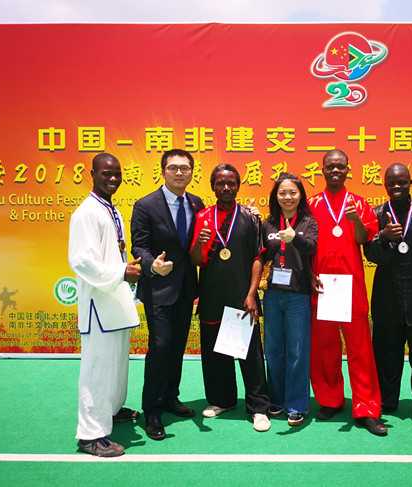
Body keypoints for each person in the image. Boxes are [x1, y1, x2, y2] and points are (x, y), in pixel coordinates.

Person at [307, 149, 387, 436]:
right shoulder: (311, 204)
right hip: (322, 286)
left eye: (340, 166)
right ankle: (331, 400)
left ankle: (366, 408)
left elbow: (364, 240)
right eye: (330, 166)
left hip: (352, 288)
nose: (335, 171)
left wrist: (355, 220)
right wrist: (310, 274)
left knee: (360, 350)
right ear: (322, 169)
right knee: (325, 347)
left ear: (348, 169)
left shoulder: (360, 203)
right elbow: (304, 244)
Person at [68, 153, 142, 457]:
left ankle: (111, 409)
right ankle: (90, 435)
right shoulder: (86, 212)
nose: (113, 179)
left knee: (117, 363)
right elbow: (81, 261)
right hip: (98, 305)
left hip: (115, 301)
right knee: (98, 369)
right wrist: (121, 272)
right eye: (106, 173)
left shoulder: (110, 209)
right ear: (93, 174)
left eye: (117, 173)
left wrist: (125, 272)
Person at [190, 163, 271, 432]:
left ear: (238, 186)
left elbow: (258, 258)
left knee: (251, 354)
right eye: (221, 183)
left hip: (242, 296)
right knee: (215, 352)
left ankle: (258, 408)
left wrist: (252, 294)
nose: (226, 187)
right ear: (213, 186)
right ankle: (222, 400)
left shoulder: (250, 218)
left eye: (231, 183)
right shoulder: (202, 217)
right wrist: (200, 243)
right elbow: (195, 260)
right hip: (212, 294)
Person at [130, 149, 205, 441]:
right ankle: (151, 410)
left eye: (184, 168)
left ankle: (171, 397)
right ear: (163, 171)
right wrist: (152, 265)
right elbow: (139, 245)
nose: (179, 173)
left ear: (191, 173)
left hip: (186, 288)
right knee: (160, 346)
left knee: (177, 347)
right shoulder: (145, 205)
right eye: (173, 168)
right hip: (158, 288)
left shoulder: (196, 203)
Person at [363, 163, 412, 427]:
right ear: (385, 185)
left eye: (402, 182)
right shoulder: (376, 214)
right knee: (386, 353)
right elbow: (370, 254)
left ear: (411, 183)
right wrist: (384, 238)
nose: (397, 186)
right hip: (388, 298)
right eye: (391, 183)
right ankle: (386, 401)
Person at [259, 173, 318, 426]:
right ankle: (277, 399)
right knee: (273, 349)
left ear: (300, 195)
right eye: (282, 193)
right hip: (272, 294)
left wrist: (295, 237)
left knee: (297, 351)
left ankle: (296, 404)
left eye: (293, 192)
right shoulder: (268, 224)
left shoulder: (308, 222)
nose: (288, 197)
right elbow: (261, 255)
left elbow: (312, 247)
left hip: (298, 296)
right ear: (276, 197)